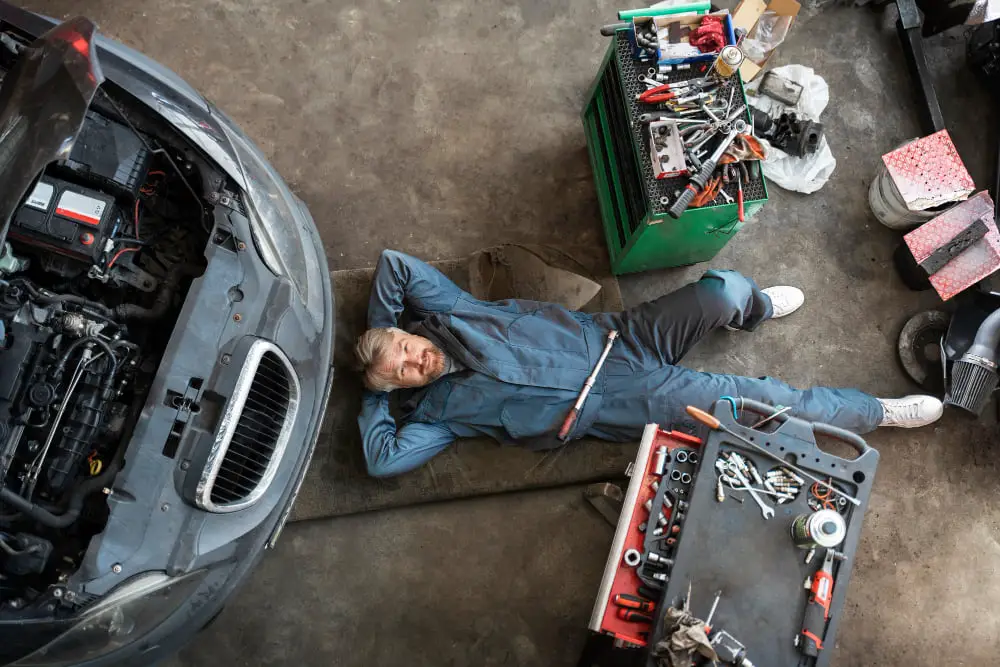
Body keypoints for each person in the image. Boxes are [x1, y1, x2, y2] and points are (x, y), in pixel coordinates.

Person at [356, 250, 942, 477]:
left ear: (407, 331)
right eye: (404, 370)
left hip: (620, 339)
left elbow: (395, 266)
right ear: (401, 389)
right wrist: (375, 391)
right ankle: (874, 412)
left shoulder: (453, 311)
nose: (417, 360)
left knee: (724, 293)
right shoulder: (438, 417)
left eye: (405, 347)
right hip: (623, 404)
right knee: (763, 409)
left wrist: (376, 333)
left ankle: (755, 309)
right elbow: (382, 460)